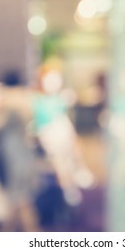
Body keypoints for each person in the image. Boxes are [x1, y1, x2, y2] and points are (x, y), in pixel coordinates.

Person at [32, 67, 94, 206]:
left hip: (63, 137)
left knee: (69, 157)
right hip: (51, 138)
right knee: (60, 164)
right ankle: (68, 191)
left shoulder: (59, 100)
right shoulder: (39, 101)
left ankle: (78, 172)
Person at [0, 70, 40, 232]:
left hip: (13, 158)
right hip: (24, 154)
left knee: (20, 201)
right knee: (19, 202)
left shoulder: (7, 103)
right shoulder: (26, 99)